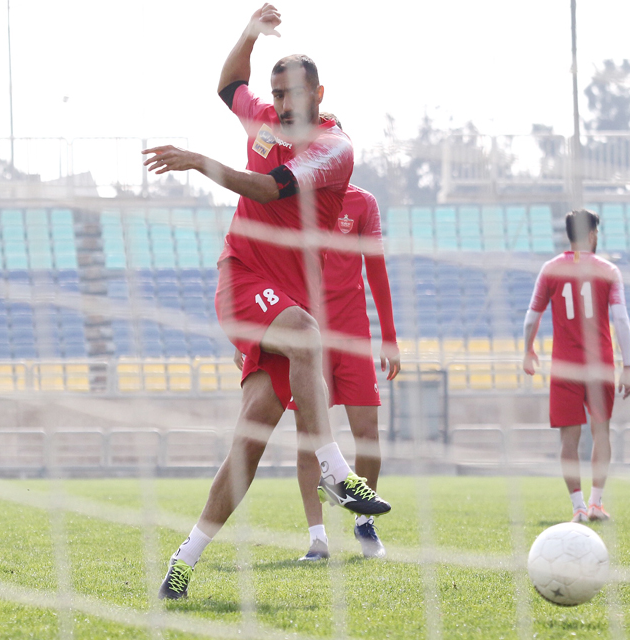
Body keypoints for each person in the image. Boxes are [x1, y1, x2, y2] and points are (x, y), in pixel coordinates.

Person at [144, 4, 390, 599]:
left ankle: (184, 558)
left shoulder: (335, 149)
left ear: (319, 93)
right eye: (275, 93)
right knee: (306, 331)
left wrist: (200, 161)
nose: (279, 104)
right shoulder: (262, 119)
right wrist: (250, 33)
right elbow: (229, 84)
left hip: (285, 308)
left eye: (291, 93)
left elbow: (268, 187)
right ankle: (337, 473)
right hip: (245, 278)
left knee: (248, 443)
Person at [233, 175, 400, 560]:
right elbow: (257, 263)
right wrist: (247, 335)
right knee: (309, 435)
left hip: (354, 334)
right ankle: (318, 537)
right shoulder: (290, 201)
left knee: (368, 434)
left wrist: (389, 336)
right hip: (306, 332)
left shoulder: (364, 203)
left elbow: (376, 268)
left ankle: (363, 523)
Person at [522, 209, 630, 523]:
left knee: (568, 441)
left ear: (569, 235)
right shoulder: (609, 270)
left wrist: (528, 350)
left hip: (566, 367)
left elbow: (532, 317)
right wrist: (628, 365)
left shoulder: (550, 269)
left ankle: (578, 507)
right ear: (594, 235)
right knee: (602, 434)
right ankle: (597, 503)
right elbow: (621, 319)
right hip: (599, 364)